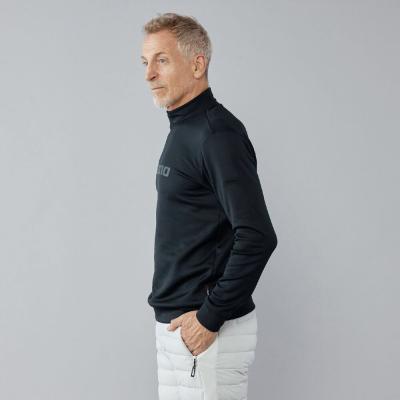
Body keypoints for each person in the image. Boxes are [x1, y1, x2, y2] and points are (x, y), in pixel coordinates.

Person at [141, 12, 278, 400]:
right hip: (177, 328)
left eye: (162, 60)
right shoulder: (183, 130)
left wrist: (209, 317)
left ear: (197, 64)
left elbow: (258, 236)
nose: (149, 74)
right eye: (145, 62)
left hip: (205, 330)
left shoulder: (216, 135)